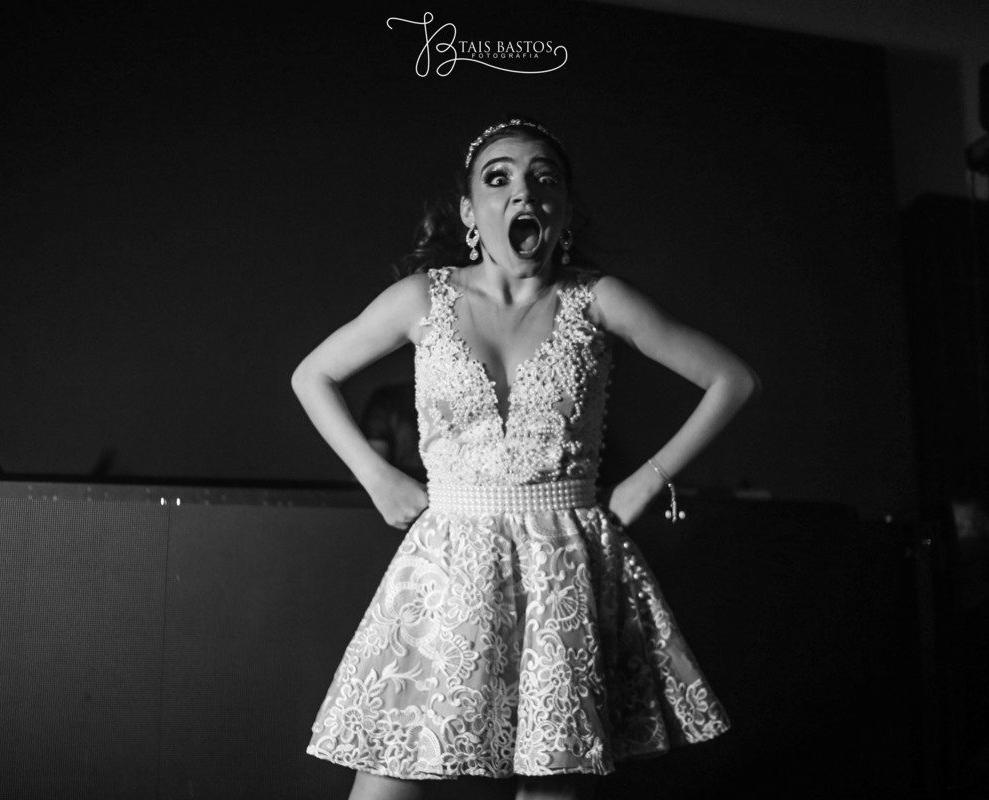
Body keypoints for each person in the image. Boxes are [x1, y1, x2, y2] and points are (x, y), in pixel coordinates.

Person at [291, 116, 758, 800]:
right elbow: (312, 375)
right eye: (499, 177)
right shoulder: (423, 298)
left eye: (544, 179)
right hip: (448, 561)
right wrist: (376, 475)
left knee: (550, 779)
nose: (523, 192)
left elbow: (732, 379)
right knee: (390, 774)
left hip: (563, 561)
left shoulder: (596, 299)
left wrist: (647, 480)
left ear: (563, 209)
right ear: (469, 212)